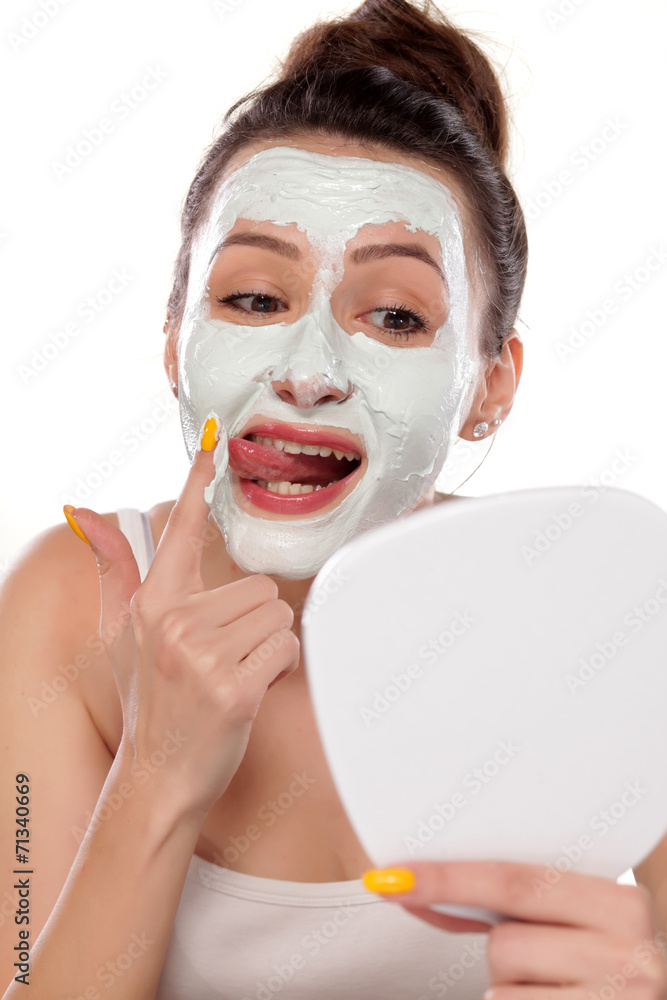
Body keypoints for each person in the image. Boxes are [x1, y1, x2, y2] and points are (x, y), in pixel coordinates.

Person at [1, 0, 666, 997]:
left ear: (491, 385)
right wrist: (156, 771)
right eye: (255, 299)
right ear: (175, 341)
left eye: (395, 314)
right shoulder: (72, 606)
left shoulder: (583, 609)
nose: (308, 371)